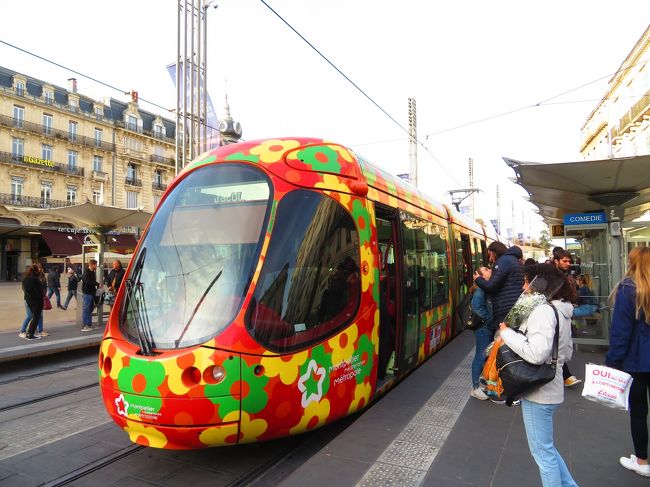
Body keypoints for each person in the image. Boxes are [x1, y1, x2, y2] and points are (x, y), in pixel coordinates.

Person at [498, 263, 579, 487]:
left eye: (527, 281)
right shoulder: (561, 309)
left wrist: (507, 333)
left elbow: (536, 353)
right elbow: (567, 352)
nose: (524, 286)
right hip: (552, 388)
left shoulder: (543, 311)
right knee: (547, 449)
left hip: (539, 393)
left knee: (543, 455)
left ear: (539, 283)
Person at [605, 247, 650, 478]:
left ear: (632, 263)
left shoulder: (629, 288)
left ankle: (642, 460)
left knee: (639, 411)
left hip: (638, 360)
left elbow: (621, 332)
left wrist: (612, 361)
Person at [553, 248, 581, 388]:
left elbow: (573, 295)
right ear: (556, 261)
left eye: (569, 261)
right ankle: (566, 375)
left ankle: (565, 375)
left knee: (560, 345)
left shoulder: (568, 276)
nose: (568, 263)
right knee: (558, 345)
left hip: (565, 311)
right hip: (556, 313)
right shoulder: (551, 276)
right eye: (564, 261)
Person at [469, 267, 494, 401]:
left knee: (484, 355)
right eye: (486, 269)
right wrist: (489, 319)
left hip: (486, 327)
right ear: (479, 275)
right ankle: (475, 388)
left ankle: (481, 384)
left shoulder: (485, 288)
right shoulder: (480, 289)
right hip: (484, 328)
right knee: (480, 355)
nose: (489, 270)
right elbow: (477, 307)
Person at [22, 264, 45, 341]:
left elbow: (24, 290)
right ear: (35, 271)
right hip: (36, 301)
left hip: (28, 300)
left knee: (34, 317)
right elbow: (40, 291)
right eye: (38, 270)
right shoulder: (35, 279)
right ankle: (30, 334)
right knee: (36, 317)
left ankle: (29, 333)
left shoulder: (25, 279)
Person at [81, 259, 99, 332]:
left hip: (92, 293)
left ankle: (89, 324)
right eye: (95, 265)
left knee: (90, 309)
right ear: (92, 265)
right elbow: (88, 282)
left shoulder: (92, 272)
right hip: (87, 292)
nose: (96, 266)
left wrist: (97, 284)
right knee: (86, 309)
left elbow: (93, 281)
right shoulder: (86, 272)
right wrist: (95, 284)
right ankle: (85, 325)